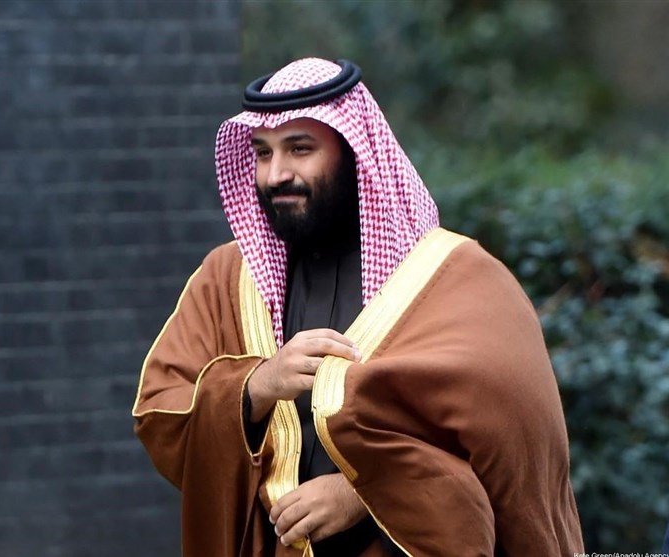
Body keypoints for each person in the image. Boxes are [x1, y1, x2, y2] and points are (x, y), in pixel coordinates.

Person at [132, 57, 584, 557]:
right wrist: (256, 386)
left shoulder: (460, 280)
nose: (276, 174)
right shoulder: (226, 279)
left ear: (353, 151)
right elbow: (160, 415)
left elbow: (517, 454)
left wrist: (365, 494)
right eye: (262, 153)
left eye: (300, 149)